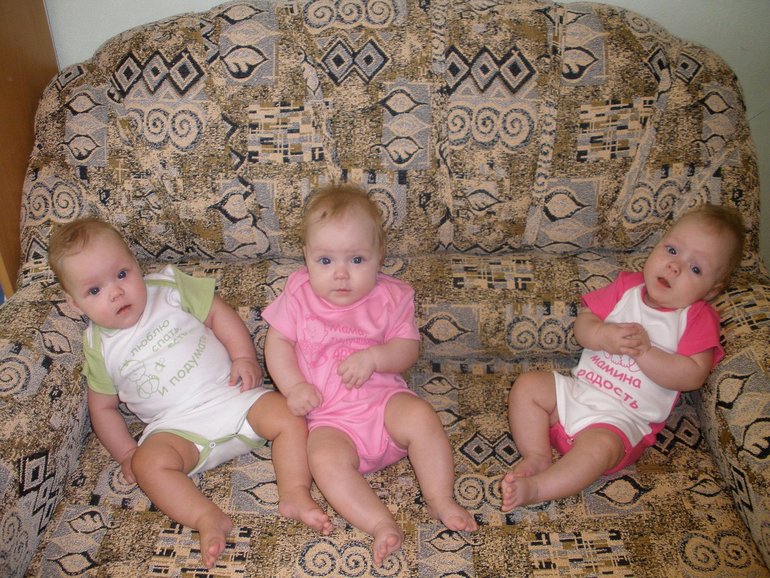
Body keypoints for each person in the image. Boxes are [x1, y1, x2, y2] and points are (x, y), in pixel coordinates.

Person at [48, 218, 331, 568]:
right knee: (148, 464)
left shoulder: (168, 287)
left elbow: (218, 314)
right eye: (94, 291)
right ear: (74, 303)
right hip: (177, 430)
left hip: (233, 397)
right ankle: (205, 517)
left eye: (122, 274)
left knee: (290, 413)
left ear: (136, 263)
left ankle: (294, 494)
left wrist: (243, 357)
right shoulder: (97, 346)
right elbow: (102, 409)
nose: (115, 292)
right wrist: (127, 453)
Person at [262, 185, 478, 566]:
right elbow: (277, 342)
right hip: (331, 421)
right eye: (325, 260)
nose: (341, 274)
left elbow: (408, 349)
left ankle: (440, 499)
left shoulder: (392, 297)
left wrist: (376, 358)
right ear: (307, 257)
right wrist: (293, 386)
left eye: (357, 259)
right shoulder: (298, 293)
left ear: (379, 257)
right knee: (323, 460)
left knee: (422, 416)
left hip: (384, 406)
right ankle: (380, 523)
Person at [501, 203, 746, 511]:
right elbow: (584, 324)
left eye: (695, 269)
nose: (674, 267)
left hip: (621, 421)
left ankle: (539, 488)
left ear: (711, 291)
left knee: (599, 449)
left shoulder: (696, 317)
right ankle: (537, 456)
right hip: (577, 392)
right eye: (671, 250)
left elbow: (694, 375)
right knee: (528, 386)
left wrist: (646, 352)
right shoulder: (626, 287)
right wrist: (601, 335)